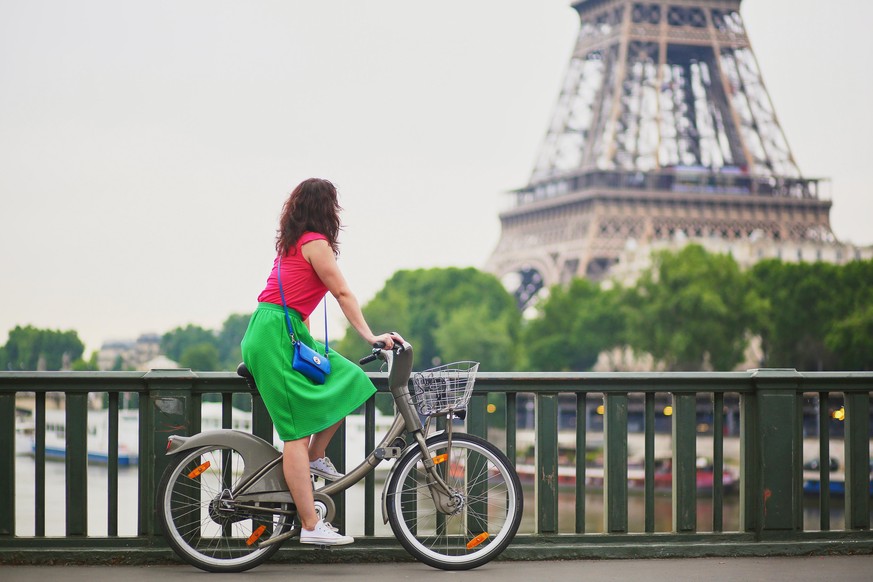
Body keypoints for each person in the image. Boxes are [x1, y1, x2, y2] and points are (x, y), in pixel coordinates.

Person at [241, 178, 401, 546]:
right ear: (327, 209)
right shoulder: (315, 243)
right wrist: (371, 336)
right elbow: (342, 292)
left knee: (350, 380)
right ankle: (311, 525)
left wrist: (309, 345)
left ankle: (316, 456)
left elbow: (294, 300)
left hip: (283, 329)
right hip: (274, 336)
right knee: (294, 435)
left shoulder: (293, 245)